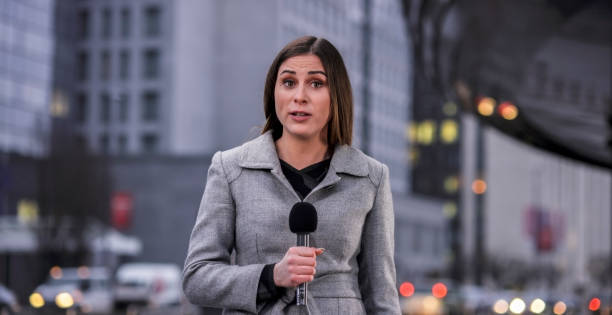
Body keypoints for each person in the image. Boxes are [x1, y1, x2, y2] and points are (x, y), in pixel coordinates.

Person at [182, 36, 400, 315]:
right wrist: (271, 276)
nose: (300, 96)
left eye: (316, 83)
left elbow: (382, 297)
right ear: (274, 93)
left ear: (337, 95)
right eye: (288, 82)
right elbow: (197, 278)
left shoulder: (371, 177)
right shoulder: (230, 168)